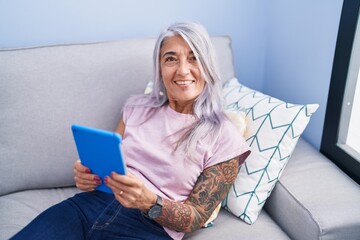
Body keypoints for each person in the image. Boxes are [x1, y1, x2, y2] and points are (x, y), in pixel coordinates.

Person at [11, 21, 250, 240]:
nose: (182, 71)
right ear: (160, 67)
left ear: (207, 65)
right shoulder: (136, 106)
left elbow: (196, 217)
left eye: (193, 58)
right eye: (171, 59)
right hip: (90, 205)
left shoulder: (224, 137)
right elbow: (113, 167)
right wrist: (88, 176)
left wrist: (149, 202)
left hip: (148, 227)